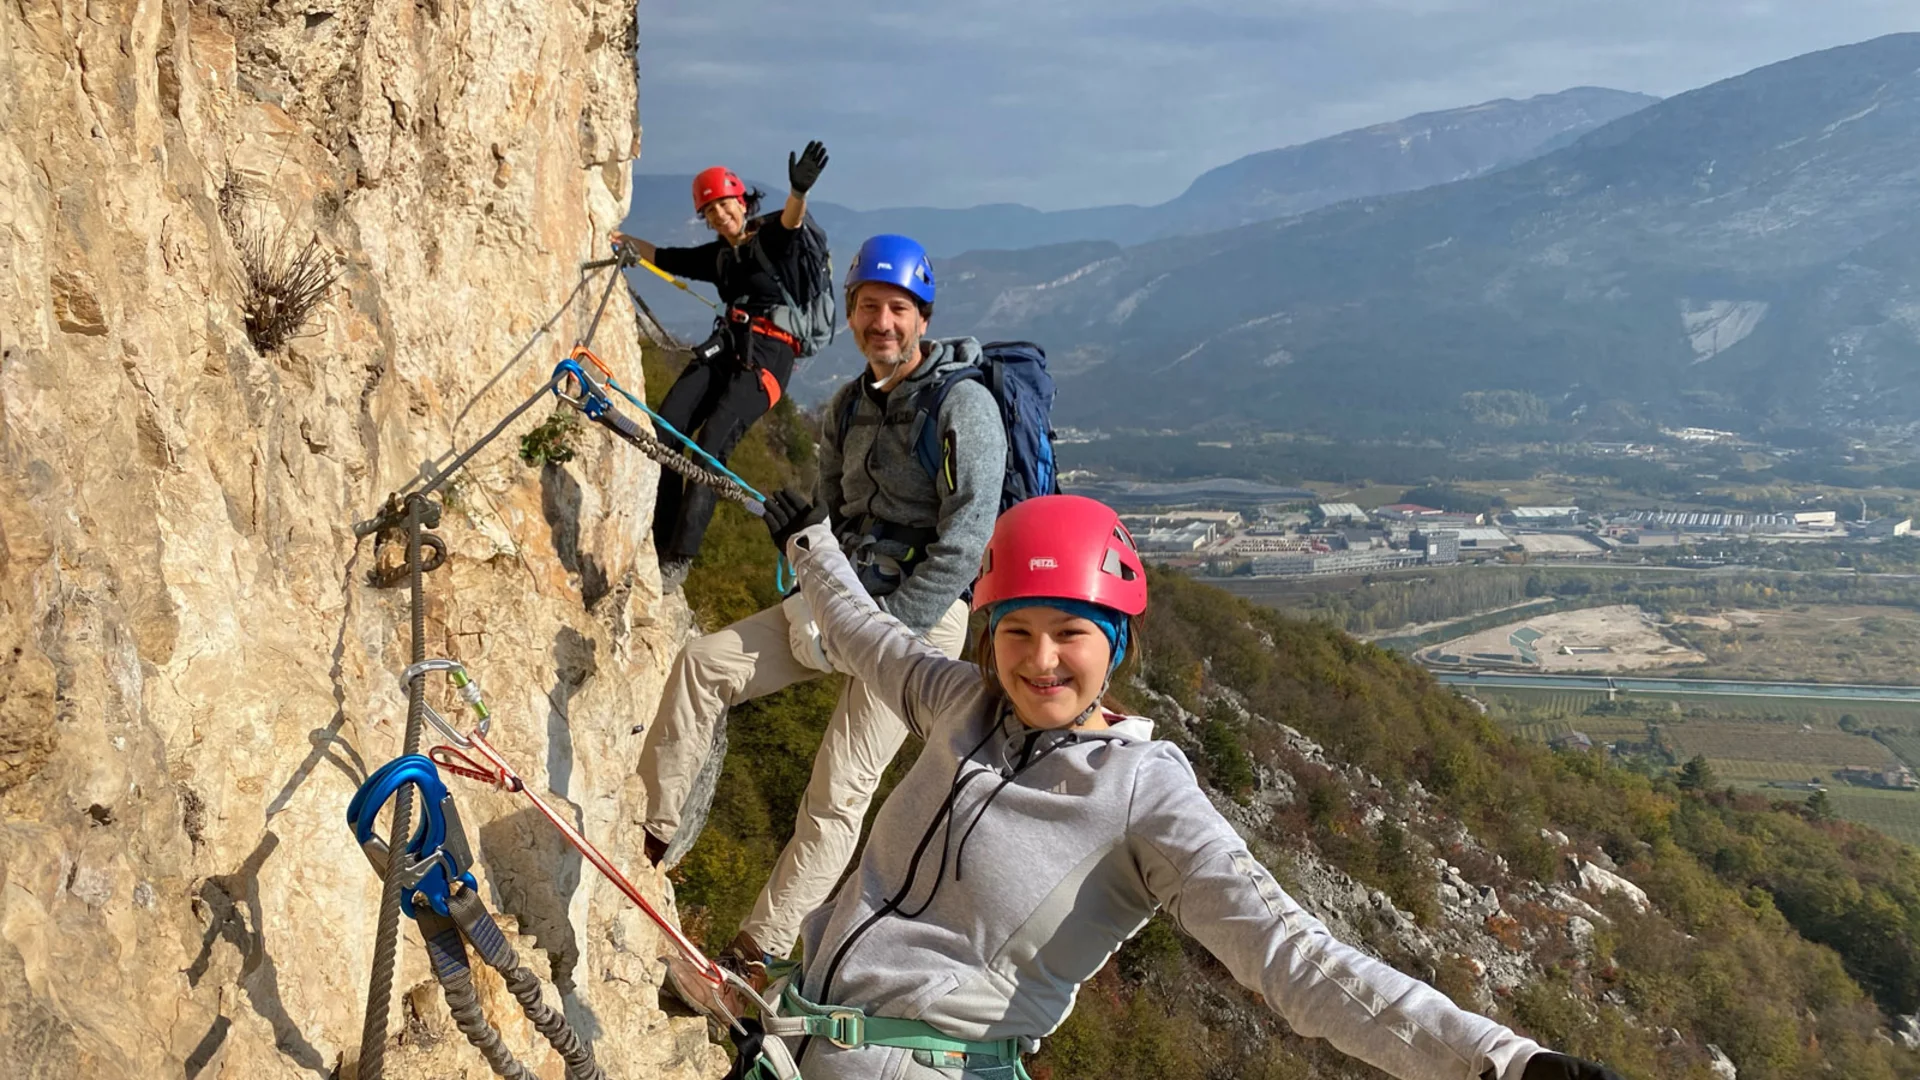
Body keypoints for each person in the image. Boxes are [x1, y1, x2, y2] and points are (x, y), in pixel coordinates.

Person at [740, 489, 1627, 1080]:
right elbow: (866, 636)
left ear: (1115, 642)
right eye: (1016, 631)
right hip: (794, 1036)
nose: (1040, 661)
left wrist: (1500, 1062)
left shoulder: (1142, 794)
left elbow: (1295, 958)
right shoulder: (961, 703)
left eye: (1070, 633)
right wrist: (811, 543)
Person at [636, 233, 1010, 988]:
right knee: (706, 663)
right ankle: (646, 836)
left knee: (838, 787)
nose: (882, 323)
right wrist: (808, 563)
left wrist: (881, 629)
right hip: (845, 588)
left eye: (898, 309)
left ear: (923, 317)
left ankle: (757, 955)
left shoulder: (963, 406)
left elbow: (965, 543)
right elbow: (836, 516)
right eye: (869, 307)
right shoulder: (847, 408)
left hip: (922, 618)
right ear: (850, 313)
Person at [611, 141, 830, 593]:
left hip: (769, 359)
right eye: (711, 211)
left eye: (725, 205)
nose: (720, 214)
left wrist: (798, 191)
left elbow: (791, 223)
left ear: (742, 203)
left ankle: (681, 557)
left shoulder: (771, 241)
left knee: (711, 445)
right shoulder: (719, 259)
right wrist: (616, 240)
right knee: (663, 431)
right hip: (728, 347)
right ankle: (660, 538)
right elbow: (665, 257)